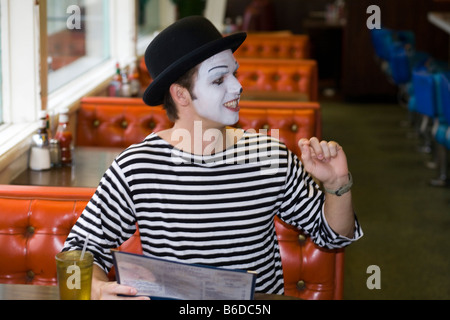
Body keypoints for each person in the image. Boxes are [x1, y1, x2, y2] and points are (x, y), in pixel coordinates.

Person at [62, 16, 363, 300]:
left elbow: (333, 237)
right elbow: (78, 250)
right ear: (181, 95)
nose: (238, 86)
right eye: (219, 80)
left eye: (234, 73)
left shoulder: (270, 156)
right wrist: (97, 288)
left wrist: (337, 184)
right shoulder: (137, 167)